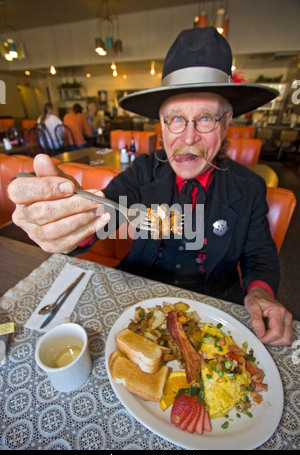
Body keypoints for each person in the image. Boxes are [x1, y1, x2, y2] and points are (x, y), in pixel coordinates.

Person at [8, 27, 293, 347]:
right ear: (161, 125)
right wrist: (67, 219)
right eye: (176, 119)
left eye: (205, 119)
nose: (188, 138)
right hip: (137, 303)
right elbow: (102, 212)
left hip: (212, 312)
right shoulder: (143, 172)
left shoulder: (249, 187)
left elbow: (259, 255)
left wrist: (259, 292)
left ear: (225, 124)